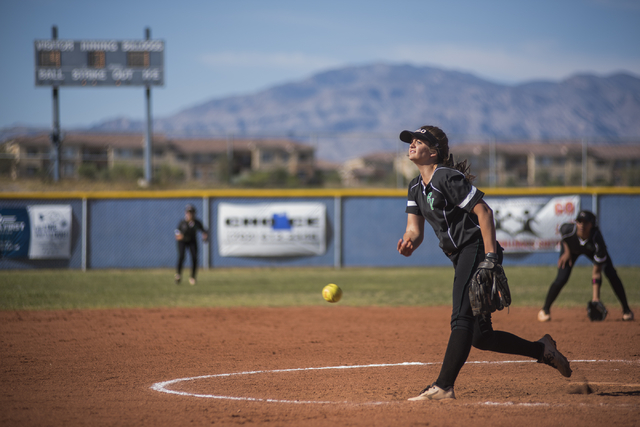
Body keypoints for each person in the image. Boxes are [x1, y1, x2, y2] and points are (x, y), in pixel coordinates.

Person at [397, 125, 572, 401]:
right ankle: (543, 350)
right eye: (411, 140)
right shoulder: (415, 187)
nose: (412, 144)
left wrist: (490, 258)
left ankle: (443, 386)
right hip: (459, 257)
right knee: (481, 336)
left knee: (461, 319)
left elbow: (484, 211)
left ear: (434, 152)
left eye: (419, 141)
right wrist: (409, 241)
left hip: (476, 249)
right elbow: (414, 230)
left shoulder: (446, 177)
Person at [538, 210, 634, 322]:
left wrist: (595, 299)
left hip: (592, 250)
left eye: (586, 222)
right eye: (579, 221)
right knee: (561, 278)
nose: (582, 225)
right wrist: (567, 251)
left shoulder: (598, 241)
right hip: (572, 250)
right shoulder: (568, 229)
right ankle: (545, 310)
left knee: (611, 274)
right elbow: (564, 235)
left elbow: (596, 273)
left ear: (592, 224)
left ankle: (626, 310)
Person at [175, 204, 208, 285]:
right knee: (182, 256)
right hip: (182, 241)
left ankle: (192, 277)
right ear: (185, 213)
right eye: (188, 212)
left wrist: (205, 236)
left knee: (194, 258)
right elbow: (177, 234)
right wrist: (180, 236)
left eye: (192, 212)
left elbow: (204, 230)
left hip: (192, 241)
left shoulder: (196, 222)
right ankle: (178, 274)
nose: (190, 214)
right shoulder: (182, 223)